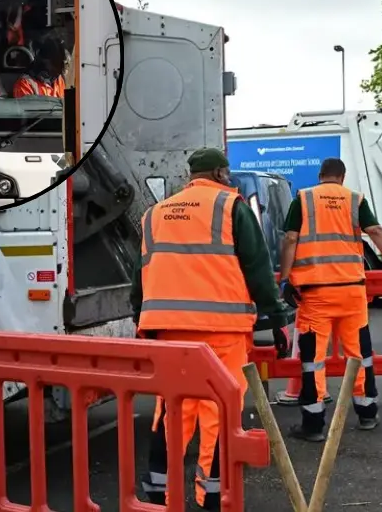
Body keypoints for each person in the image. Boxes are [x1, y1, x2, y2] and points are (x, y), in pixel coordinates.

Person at [130, 148, 291, 510]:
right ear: (219, 173)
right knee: (219, 411)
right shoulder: (231, 207)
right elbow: (257, 268)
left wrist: (141, 317)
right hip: (221, 330)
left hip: (168, 331)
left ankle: (159, 493)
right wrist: (278, 319)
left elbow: (141, 272)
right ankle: (212, 495)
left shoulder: (155, 213)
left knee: (172, 411)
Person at [278, 157, 382, 441]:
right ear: (342, 176)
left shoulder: (303, 199)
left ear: (320, 175)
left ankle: (313, 424)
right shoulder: (355, 199)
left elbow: (290, 239)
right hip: (352, 291)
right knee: (359, 354)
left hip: (316, 293)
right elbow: (375, 231)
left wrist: (285, 279)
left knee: (313, 359)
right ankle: (367, 413)